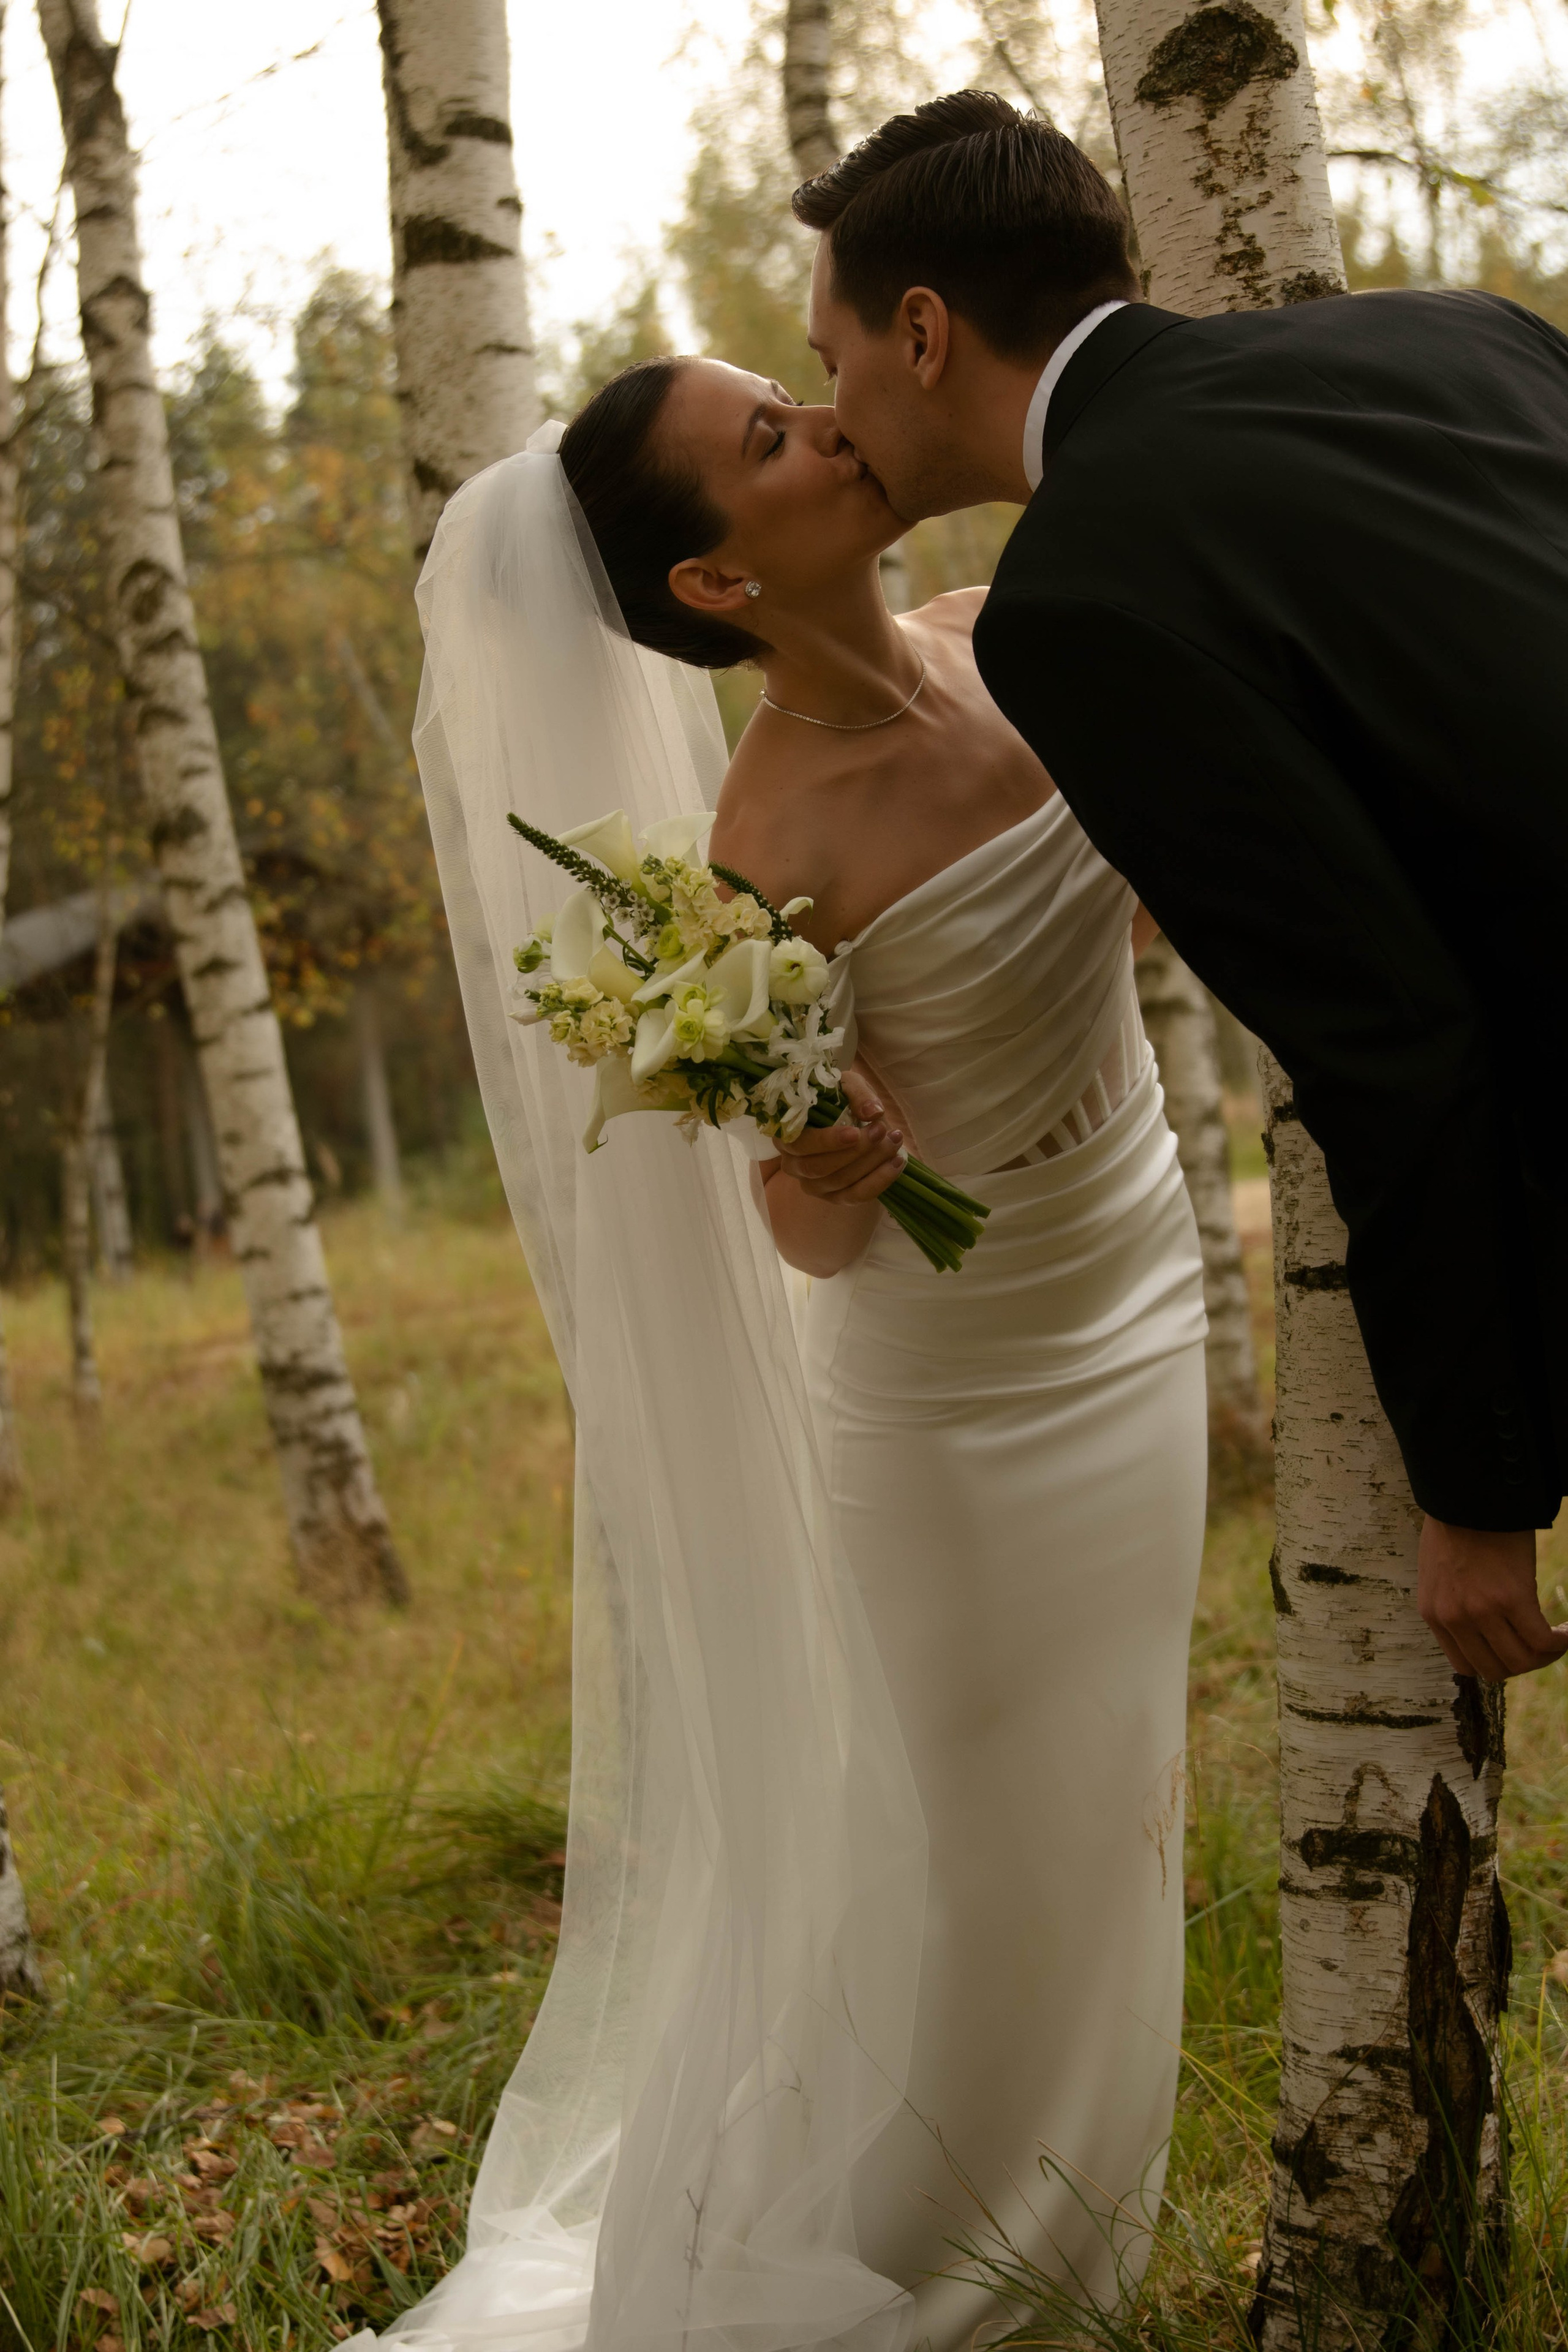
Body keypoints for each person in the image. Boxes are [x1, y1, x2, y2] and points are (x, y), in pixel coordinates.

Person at [370, 357, 1205, 2352]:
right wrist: (829, 1156)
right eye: (769, 445)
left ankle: (1075, 2218)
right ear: (720, 585)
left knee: (1124, 1801)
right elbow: (807, 1242)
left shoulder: (1013, 630)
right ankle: (936, 2256)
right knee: (989, 1848)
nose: (828, 429)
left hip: (1148, 1276)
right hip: (959, 1393)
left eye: (794, 401)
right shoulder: (758, 849)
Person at [794, 88, 1568, 1687]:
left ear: (922, 331)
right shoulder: (1462, 335)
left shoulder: (1080, 597)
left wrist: (1481, 1486)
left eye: (829, 362)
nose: (835, 411)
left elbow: (1386, 1038)